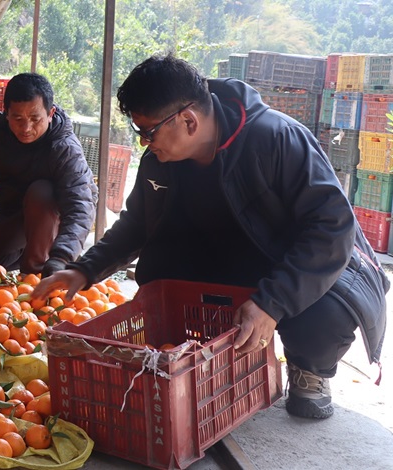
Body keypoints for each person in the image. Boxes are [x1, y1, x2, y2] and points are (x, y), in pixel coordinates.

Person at [32, 54, 389, 420]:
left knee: (326, 313)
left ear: (188, 121)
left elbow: (332, 228)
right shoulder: (160, 161)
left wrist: (272, 303)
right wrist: (84, 270)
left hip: (298, 263)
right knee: (159, 276)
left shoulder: (276, 138)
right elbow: (138, 223)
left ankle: (310, 369)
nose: (144, 144)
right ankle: (203, 353)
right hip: (232, 261)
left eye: (149, 133)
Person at [0, 73, 97, 275]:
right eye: (18, 118)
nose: (26, 128)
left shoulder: (64, 149)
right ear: (6, 112)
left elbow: (80, 208)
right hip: (14, 211)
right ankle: (24, 255)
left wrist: (62, 256)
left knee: (42, 192)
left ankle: (36, 271)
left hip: (55, 219)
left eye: (35, 119)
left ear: (50, 113)